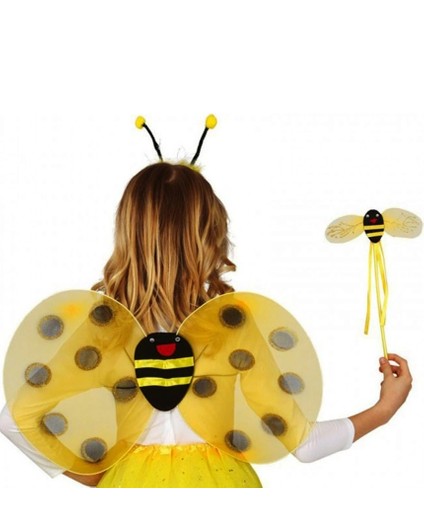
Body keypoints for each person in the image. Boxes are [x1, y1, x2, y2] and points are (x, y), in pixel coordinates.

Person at [0, 159, 413, 488]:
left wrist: (88, 474)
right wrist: (385, 409)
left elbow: (13, 419)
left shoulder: (104, 328)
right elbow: (304, 445)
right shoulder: (230, 324)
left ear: (127, 233)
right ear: (210, 234)